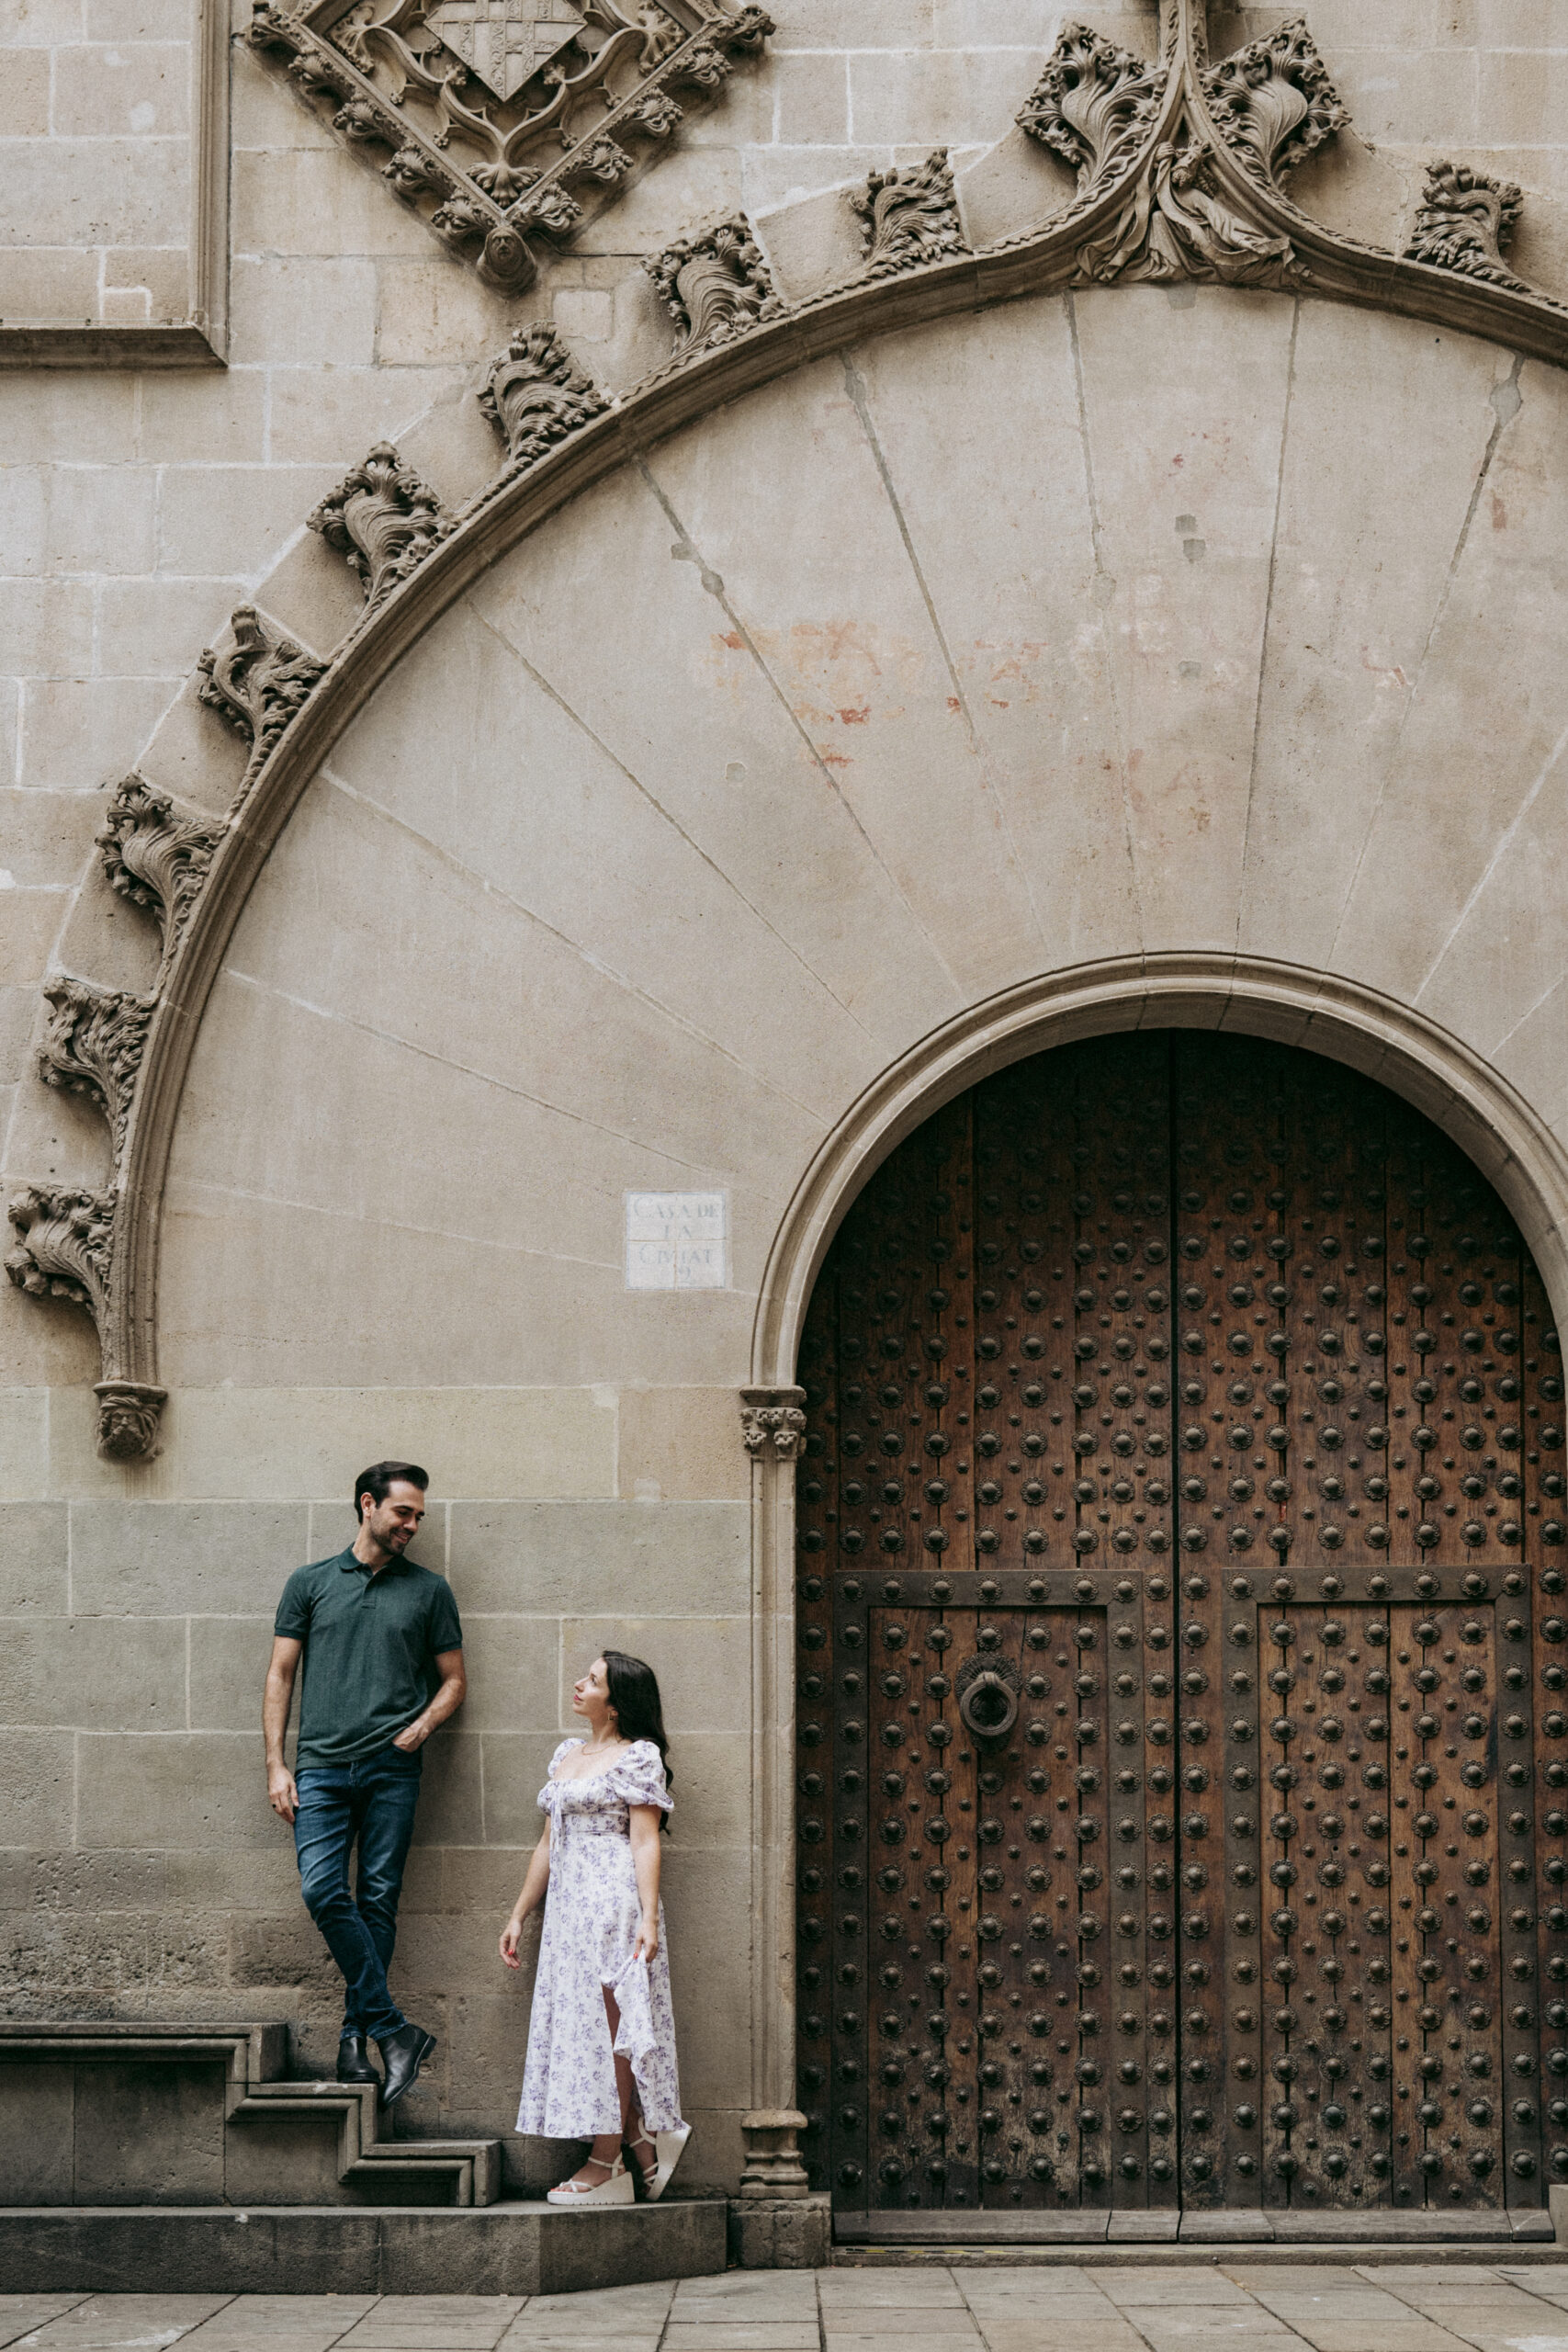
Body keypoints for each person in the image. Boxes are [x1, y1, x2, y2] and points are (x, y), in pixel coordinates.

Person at [263, 1460, 465, 2103]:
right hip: (319, 1769)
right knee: (324, 1892)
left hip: (392, 1769)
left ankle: (356, 2039)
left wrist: (423, 1726)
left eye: (418, 1517)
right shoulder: (311, 1582)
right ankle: (393, 2030)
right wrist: (275, 1762)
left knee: (377, 1899)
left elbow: (455, 1681)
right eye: (403, 1513)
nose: (412, 1525)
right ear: (367, 1504)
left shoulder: (429, 1591)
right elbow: (279, 1675)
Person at [500, 1652, 690, 2206]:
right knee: (587, 2030)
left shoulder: (639, 1756)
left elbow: (645, 1840)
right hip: (566, 1911)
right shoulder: (566, 1754)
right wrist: (519, 1913)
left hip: (614, 1903)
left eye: (593, 1680)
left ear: (616, 1700)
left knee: (615, 2030)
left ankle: (605, 2161)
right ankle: (641, 2140)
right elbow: (547, 1845)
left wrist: (648, 1918)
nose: (579, 1684)